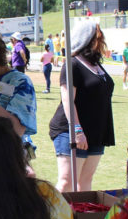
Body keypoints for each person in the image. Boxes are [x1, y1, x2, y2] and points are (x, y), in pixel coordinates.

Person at [49, 21, 114, 192]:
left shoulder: (96, 64)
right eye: (98, 38)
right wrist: (77, 131)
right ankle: (50, 218)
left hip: (96, 132)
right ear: (88, 39)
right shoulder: (72, 64)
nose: (102, 42)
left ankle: (80, 218)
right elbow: (67, 100)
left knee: (85, 182)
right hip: (72, 130)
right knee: (67, 182)